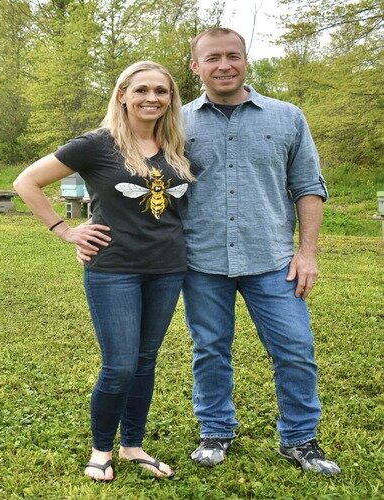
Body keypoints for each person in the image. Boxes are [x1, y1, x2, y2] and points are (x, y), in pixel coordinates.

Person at [77, 28, 341, 475]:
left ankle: (300, 439)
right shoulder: (175, 123)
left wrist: (308, 251)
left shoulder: (287, 117)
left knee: (295, 348)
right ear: (195, 66)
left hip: (273, 259)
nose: (224, 65)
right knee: (210, 348)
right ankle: (215, 431)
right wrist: (85, 225)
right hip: (200, 260)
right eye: (212, 58)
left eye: (233, 56)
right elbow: (131, 173)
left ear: (245, 61)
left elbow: (308, 187)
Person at [13, 61, 194, 482]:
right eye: (142, 89)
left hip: (168, 269)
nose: (152, 98)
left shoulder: (177, 146)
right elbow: (26, 182)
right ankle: (101, 451)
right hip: (114, 270)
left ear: (171, 99)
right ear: (122, 96)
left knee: (145, 361)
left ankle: (133, 445)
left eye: (162, 91)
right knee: (119, 365)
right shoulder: (97, 144)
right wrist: (64, 230)